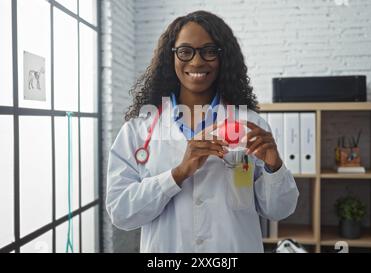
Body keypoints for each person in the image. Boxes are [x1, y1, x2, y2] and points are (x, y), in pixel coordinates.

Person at [106, 10, 299, 253]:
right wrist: (177, 174)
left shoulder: (250, 124)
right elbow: (120, 212)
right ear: (171, 57)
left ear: (222, 58)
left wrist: (274, 166)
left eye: (209, 51)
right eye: (185, 51)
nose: (197, 62)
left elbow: (279, 210)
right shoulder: (138, 130)